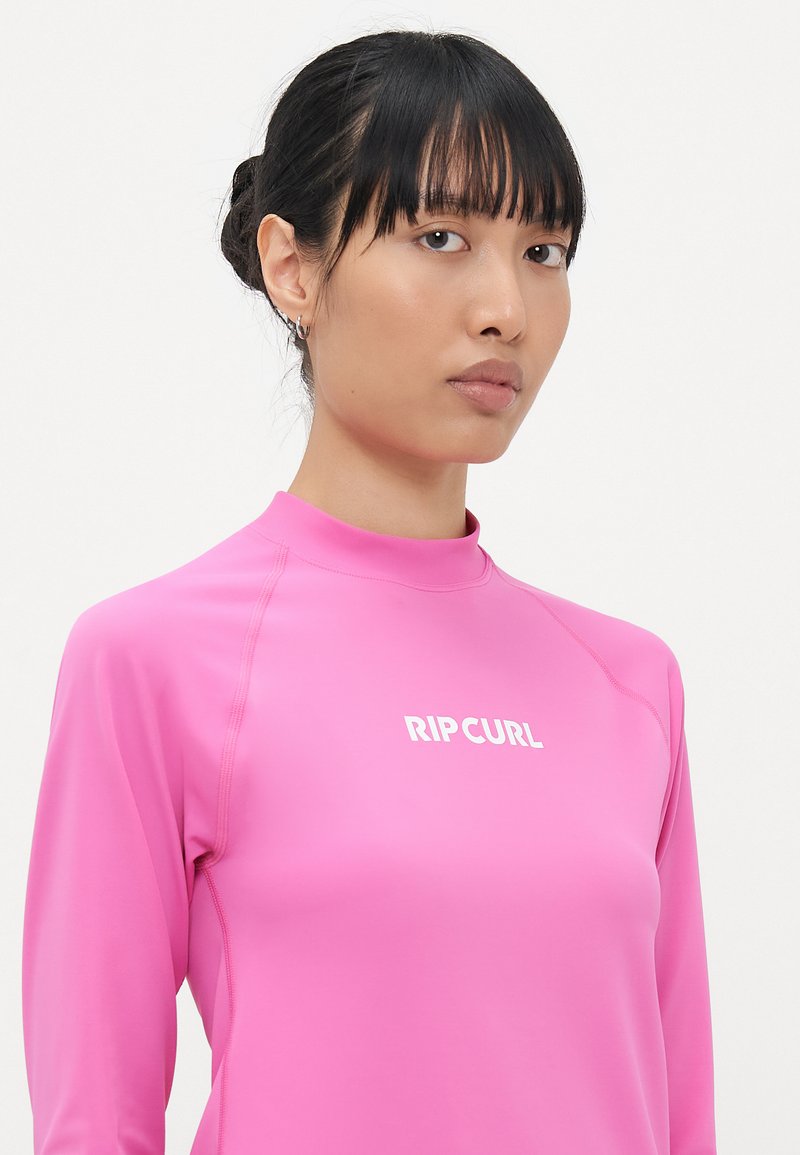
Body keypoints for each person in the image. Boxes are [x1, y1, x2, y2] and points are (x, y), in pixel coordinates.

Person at [21, 27, 717, 1155]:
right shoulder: (152, 660)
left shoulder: (630, 684)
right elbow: (93, 1123)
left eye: (544, 250)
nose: (505, 308)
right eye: (440, 236)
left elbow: (682, 1117)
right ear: (294, 268)